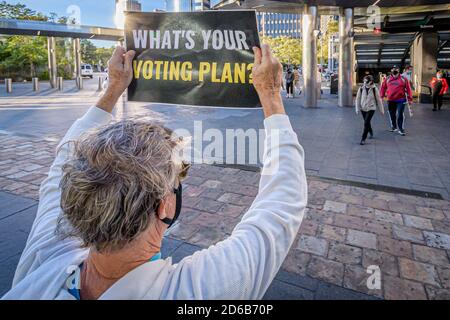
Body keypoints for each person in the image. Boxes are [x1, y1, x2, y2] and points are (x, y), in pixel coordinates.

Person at [2, 45, 307, 300]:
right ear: (166, 205)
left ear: (72, 203)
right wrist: (271, 95)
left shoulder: (44, 261)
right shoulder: (196, 293)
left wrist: (113, 88)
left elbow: (66, 159)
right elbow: (281, 206)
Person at [380, 65, 413, 136]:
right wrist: (381, 96)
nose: (394, 70)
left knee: (400, 114)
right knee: (392, 114)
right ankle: (394, 127)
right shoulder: (388, 78)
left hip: (401, 100)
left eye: (396, 69)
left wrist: (410, 99)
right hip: (391, 100)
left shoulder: (404, 79)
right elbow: (383, 87)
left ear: (399, 70)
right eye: (393, 69)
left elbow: (408, 89)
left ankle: (401, 128)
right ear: (391, 70)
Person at [355, 75, 385, 145]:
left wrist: (381, 110)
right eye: (364, 81)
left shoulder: (375, 89)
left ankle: (363, 139)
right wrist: (357, 108)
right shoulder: (361, 88)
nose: (364, 82)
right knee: (367, 122)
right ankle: (370, 131)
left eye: (366, 81)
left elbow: (379, 100)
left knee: (366, 123)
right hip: (363, 108)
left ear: (371, 81)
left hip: (371, 108)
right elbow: (357, 99)